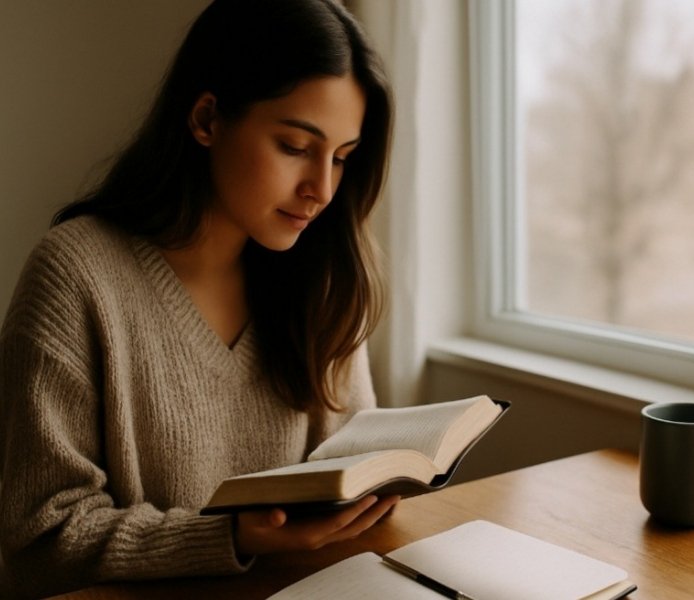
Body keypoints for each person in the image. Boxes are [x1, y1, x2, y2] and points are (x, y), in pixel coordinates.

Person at [0, 0, 397, 597]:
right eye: (294, 146)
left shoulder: (323, 277)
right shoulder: (77, 277)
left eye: (341, 158)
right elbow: (42, 542)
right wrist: (230, 537)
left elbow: (348, 470)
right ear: (208, 119)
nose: (321, 190)